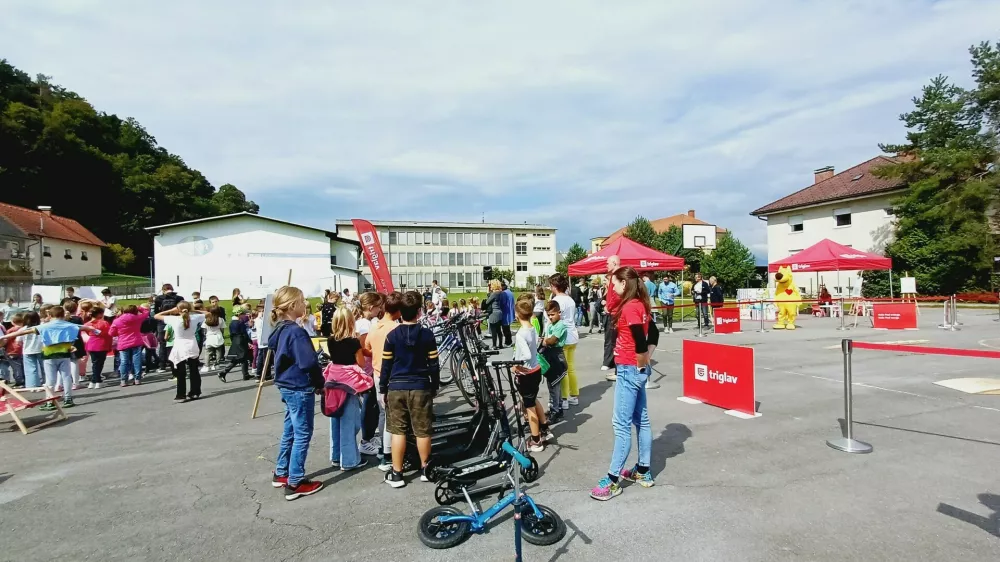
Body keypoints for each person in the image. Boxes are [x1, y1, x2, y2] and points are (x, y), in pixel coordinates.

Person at [591, 266, 654, 501]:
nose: (613, 287)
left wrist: (639, 365)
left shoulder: (630, 307)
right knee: (641, 420)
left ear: (624, 283)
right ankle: (643, 471)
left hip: (629, 369)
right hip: (634, 368)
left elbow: (641, 340)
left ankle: (612, 480)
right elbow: (652, 335)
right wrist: (644, 365)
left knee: (621, 425)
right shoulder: (640, 304)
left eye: (615, 283)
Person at [268, 286, 325, 500]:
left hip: (286, 384)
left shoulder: (281, 329)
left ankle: (282, 471)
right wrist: (319, 382)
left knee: (290, 429)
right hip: (299, 386)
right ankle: (295, 481)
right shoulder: (296, 332)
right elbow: (309, 362)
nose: (305, 305)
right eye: (302, 302)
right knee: (302, 433)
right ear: (292, 305)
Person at [380, 291, 440, 488]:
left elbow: (386, 366)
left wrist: (383, 388)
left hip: (396, 387)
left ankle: (397, 473)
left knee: (398, 431)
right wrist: (434, 385)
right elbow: (434, 364)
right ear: (419, 311)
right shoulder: (427, 335)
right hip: (420, 385)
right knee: (422, 431)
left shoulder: (391, 336)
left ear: (400, 312)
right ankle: (425, 469)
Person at [0, 306, 100, 408]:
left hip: (49, 354)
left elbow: (23, 332)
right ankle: (68, 398)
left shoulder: (45, 326)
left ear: (49, 315)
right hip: (64, 353)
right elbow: (83, 327)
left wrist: (4, 336)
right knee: (66, 376)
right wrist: (95, 330)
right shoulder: (69, 325)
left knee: (50, 379)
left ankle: (50, 401)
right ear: (63, 315)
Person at [325, 306, 369, 470]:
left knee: (335, 419)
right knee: (349, 423)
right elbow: (361, 363)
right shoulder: (353, 342)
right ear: (351, 322)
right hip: (349, 384)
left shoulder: (331, 340)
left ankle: (336, 456)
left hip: (333, 382)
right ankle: (350, 460)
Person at [366, 291, 402, 472]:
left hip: (377, 372)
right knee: (394, 416)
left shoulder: (375, 327)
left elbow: (367, 347)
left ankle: (383, 448)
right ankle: (389, 454)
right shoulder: (396, 329)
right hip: (393, 374)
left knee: (383, 413)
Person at [513, 298, 550, 453]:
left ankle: (536, 440)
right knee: (533, 400)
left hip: (526, 373)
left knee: (529, 407)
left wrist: (516, 365)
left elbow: (527, 354)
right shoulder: (532, 328)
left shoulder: (520, 334)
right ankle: (545, 428)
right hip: (536, 370)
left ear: (517, 314)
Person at [155, 301, 205, 401]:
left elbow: (156, 316)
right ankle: (195, 392)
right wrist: (193, 310)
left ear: (178, 310)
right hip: (192, 344)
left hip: (179, 346)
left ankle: (181, 394)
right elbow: (208, 313)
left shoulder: (174, 319)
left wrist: (171, 310)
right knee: (194, 370)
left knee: (180, 372)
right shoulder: (195, 318)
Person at [355, 292, 384, 457]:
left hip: (367, 369)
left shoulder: (364, 322)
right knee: (369, 405)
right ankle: (366, 440)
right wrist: (379, 351)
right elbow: (364, 348)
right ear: (371, 307)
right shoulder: (365, 325)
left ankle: (370, 436)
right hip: (367, 371)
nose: (380, 309)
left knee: (371, 405)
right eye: (378, 307)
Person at [547, 273, 580, 409]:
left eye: (551, 285)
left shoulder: (557, 301)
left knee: (562, 369)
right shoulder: (570, 299)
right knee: (570, 367)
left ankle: (564, 398)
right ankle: (574, 395)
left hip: (562, 336)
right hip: (572, 334)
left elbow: (550, 319)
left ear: (554, 286)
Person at [540, 300, 568, 423]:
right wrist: (545, 340)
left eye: (553, 314)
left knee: (554, 385)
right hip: (550, 355)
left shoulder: (560, 325)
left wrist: (545, 341)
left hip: (557, 356)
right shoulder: (550, 325)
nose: (550, 317)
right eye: (548, 315)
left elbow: (552, 341)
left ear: (559, 312)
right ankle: (558, 408)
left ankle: (555, 410)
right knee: (553, 384)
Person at [110, 304, 146, 387]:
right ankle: (137, 379)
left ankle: (124, 380)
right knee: (137, 361)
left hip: (123, 342)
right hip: (136, 341)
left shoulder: (117, 320)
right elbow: (146, 312)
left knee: (124, 362)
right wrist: (139, 307)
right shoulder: (138, 318)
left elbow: (111, 333)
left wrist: (119, 333)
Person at [153, 284, 184, 372]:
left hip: (163, 320)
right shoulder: (179, 298)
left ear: (163, 290)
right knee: (177, 342)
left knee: (163, 344)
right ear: (172, 289)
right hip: (176, 320)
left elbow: (156, 311)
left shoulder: (159, 298)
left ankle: (162, 365)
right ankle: (177, 362)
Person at [220, 310, 252, 382]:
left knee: (242, 358)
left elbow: (231, 334)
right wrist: (249, 341)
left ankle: (245, 374)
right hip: (241, 341)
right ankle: (223, 372)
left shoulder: (232, 323)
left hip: (235, 340)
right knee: (239, 358)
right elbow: (244, 333)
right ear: (239, 314)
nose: (244, 315)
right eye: (243, 314)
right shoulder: (240, 323)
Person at [84, 308, 112, 389]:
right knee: (99, 363)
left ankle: (94, 380)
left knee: (95, 363)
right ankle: (97, 381)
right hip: (102, 344)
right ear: (99, 314)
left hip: (91, 344)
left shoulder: (87, 324)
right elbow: (108, 334)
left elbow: (87, 333)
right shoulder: (104, 323)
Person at [602, 256, 621, 375]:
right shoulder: (614, 276)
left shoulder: (618, 275)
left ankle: (613, 364)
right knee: (611, 339)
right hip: (613, 311)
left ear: (614, 263)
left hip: (615, 312)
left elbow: (617, 295)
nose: (606, 265)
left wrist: (608, 306)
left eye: (607, 263)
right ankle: (612, 363)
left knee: (613, 339)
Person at [19, 311, 44, 387]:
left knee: (30, 369)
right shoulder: (42, 326)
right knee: (45, 367)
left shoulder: (23, 329)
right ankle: (48, 383)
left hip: (28, 350)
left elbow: (18, 341)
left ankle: (32, 386)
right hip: (41, 349)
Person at [2, 312, 25, 387]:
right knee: (22, 366)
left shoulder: (11, 330)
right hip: (21, 350)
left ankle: (19, 381)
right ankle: (24, 379)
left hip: (12, 350)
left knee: (16, 367)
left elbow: (6, 339)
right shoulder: (24, 329)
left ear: (12, 322)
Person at [201, 308, 226, 372]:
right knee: (218, 352)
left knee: (208, 352)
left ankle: (207, 366)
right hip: (218, 336)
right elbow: (222, 330)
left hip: (209, 337)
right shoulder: (221, 319)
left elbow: (204, 329)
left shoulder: (207, 319)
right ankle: (216, 365)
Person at [482, 280, 504, 349]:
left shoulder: (494, 294)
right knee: (499, 330)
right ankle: (500, 344)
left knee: (493, 330)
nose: (490, 286)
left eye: (491, 285)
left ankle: (494, 345)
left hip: (494, 313)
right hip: (499, 312)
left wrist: (489, 293)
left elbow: (487, 302)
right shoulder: (501, 293)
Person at [500, 281, 515, 347]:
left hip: (505, 312)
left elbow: (503, 303)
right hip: (510, 311)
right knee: (507, 328)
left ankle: (508, 342)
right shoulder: (509, 292)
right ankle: (509, 341)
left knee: (505, 329)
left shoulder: (504, 293)